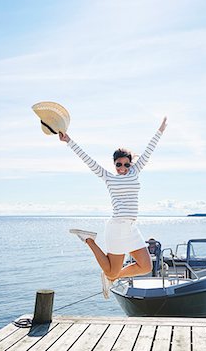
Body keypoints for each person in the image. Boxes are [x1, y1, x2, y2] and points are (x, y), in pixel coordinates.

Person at [59, 117, 167, 298]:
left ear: (130, 164)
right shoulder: (108, 177)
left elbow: (149, 151)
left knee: (146, 266)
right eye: (119, 164)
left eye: (126, 164)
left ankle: (111, 277)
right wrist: (68, 140)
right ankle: (89, 240)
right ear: (114, 164)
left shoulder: (135, 171)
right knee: (111, 271)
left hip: (132, 227)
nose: (123, 168)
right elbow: (87, 159)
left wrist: (160, 131)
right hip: (117, 227)